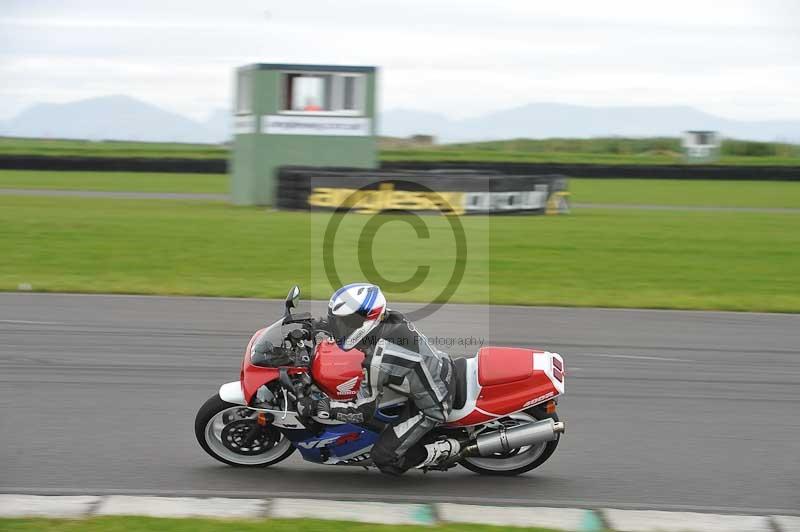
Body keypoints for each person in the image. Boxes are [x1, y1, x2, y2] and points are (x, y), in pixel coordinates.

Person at [306, 283, 460, 475]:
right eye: (338, 321)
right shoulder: (388, 317)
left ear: (365, 320)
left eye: (345, 322)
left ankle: (442, 450)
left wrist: (323, 407)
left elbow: (363, 412)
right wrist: (319, 325)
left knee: (384, 457)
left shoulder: (378, 361)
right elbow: (353, 329)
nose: (340, 327)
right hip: (435, 369)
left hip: (433, 404)